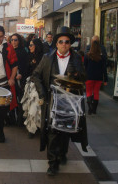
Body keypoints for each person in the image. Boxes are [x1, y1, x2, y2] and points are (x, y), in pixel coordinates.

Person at [32, 26, 87, 176]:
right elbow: (35, 75)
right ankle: (53, 162)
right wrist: (42, 93)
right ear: (56, 43)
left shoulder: (76, 58)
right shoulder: (47, 58)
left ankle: (62, 153)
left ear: (70, 44)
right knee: (53, 131)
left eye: (67, 42)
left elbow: (83, 78)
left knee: (66, 130)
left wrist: (76, 76)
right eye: (61, 41)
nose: (64, 44)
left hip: (70, 101)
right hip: (52, 101)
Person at [9, 33, 28, 126]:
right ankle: (12, 119)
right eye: (12, 40)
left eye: (15, 40)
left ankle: (20, 121)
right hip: (10, 79)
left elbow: (26, 66)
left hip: (20, 80)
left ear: (19, 41)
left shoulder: (23, 52)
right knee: (11, 100)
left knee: (20, 101)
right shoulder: (8, 51)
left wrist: (21, 74)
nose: (13, 42)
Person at [84, 40, 108, 115]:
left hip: (89, 76)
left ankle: (90, 108)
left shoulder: (87, 56)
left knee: (88, 92)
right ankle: (94, 109)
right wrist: (105, 79)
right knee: (96, 92)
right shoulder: (102, 57)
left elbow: (85, 67)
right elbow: (104, 69)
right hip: (99, 77)